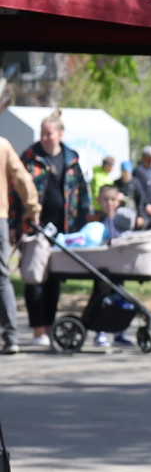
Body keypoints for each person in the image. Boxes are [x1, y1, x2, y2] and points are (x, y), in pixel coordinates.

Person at [12, 110, 91, 348]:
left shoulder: (71, 158)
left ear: (60, 133)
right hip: (34, 227)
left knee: (54, 280)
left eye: (49, 133)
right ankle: (37, 330)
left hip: (62, 229)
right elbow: (15, 192)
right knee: (34, 277)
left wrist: (82, 227)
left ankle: (49, 325)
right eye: (42, 133)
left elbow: (81, 194)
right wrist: (15, 224)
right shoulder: (29, 157)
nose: (45, 138)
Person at [1, 136, 41, 354]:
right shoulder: (3, 145)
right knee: (1, 275)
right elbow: (22, 178)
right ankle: (11, 336)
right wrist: (32, 208)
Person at [89, 185, 137, 348]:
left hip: (118, 268)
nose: (109, 203)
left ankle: (119, 333)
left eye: (112, 199)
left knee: (120, 299)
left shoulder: (122, 222)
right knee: (99, 298)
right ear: (98, 201)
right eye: (105, 199)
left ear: (118, 201)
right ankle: (99, 333)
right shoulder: (97, 223)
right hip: (101, 268)